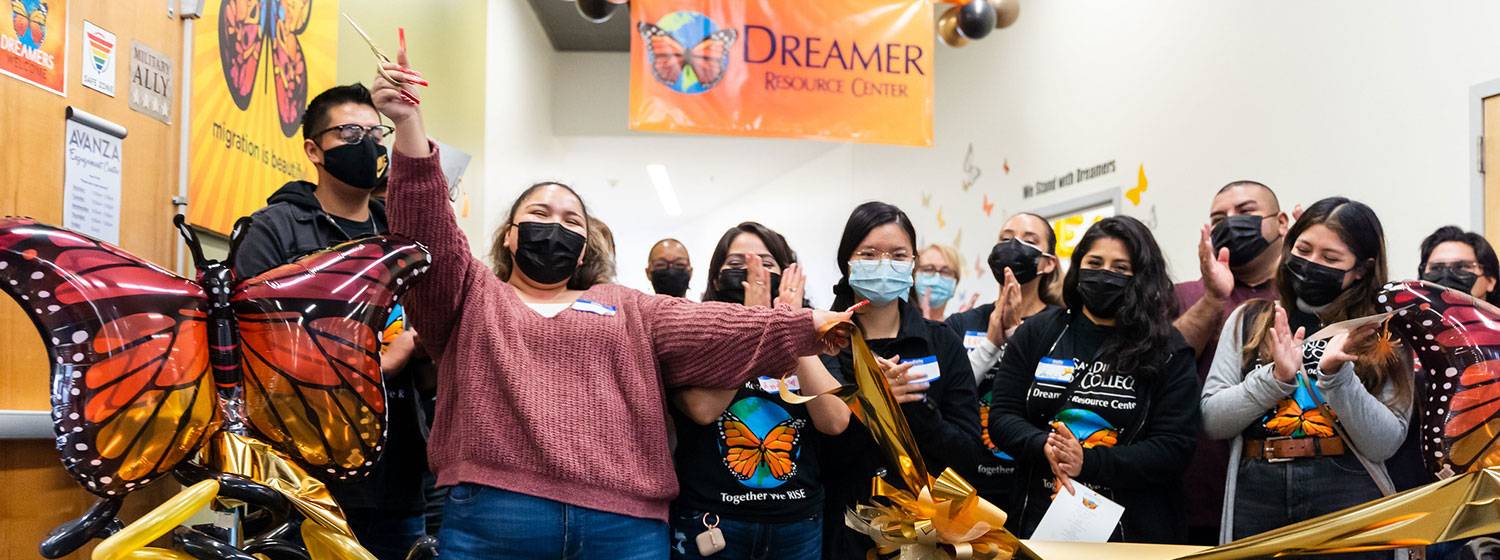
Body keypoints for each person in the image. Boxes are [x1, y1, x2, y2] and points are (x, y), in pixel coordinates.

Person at [370, 48, 853, 559]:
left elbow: (708, 324)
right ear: (510, 237)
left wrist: (805, 324)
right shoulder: (469, 295)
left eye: (572, 221)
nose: (555, 225)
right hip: (497, 515)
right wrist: (408, 126)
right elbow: (426, 232)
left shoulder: (629, 306)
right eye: (539, 212)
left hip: (622, 525)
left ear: (582, 249)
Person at [228, 83, 430, 560]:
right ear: (314, 150)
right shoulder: (273, 230)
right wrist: (379, 365)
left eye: (374, 132)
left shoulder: (399, 236)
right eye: (349, 131)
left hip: (398, 473)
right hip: (305, 476)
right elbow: (258, 351)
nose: (367, 143)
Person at [1201, 197, 1412, 557]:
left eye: (1331, 259)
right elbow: (1213, 420)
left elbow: (1384, 443)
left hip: (1347, 487)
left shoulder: (1380, 331)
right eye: (1303, 249)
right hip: (1258, 489)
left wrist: (1337, 374)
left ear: (1361, 269)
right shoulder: (1248, 319)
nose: (1311, 264)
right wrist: (1275, 378)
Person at [988, 215, 1198, 543]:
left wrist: (1089, 461)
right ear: (1078, 265)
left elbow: (1174, 447)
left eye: (1120, 269)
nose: (1104, 275)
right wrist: (1044, 445)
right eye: (1095, 263)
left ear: (1141, 276)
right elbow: (1002, 416)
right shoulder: (1038, 332)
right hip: (1039, 517)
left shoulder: (1168, 348)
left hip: (1134, 529)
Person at [667, 222, 850, 560]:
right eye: (737, 264)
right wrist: (753, 324)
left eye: (767, 263)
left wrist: (789, 327)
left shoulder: (814, 331)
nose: (754, 272)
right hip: (714, 524)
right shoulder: (691, 327)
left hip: (796, 525)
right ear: (717, 276)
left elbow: (835, 420)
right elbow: (703, 410)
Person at [818, 202, 980, 560]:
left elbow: (968, 454)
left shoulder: (940, 342)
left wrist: (915, 406)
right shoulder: (826, 344)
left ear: (912, 264)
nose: (883, 263)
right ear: (848, 262)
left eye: (897, 254)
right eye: (869, 254)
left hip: (931, 533)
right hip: (847, 534)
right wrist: (876, 405)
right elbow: (822, 456)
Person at [1170, 180, 1288, 545]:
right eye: (1218, 217)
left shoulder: (1303, 296)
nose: (1231, 223)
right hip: (1200, 492)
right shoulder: (1186, 294)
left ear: (1282, 223)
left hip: (1285, 494)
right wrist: (1212, 298)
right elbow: (1166, 361)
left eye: (1246, 212)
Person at [944, 212, 1064, 508]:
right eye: (1006, 238)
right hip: (969, 482)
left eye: (1029, 240)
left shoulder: (1063, 326)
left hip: (1035, 482)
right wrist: (990, 344)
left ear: (1048, 262)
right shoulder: (960, 324)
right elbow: (946, 395)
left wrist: (1016, 337)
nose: (1014, 245)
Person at [1418, 226, 1500, 304]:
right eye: (1436, 268)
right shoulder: (1409, 317)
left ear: (1490, 281)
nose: (1446, 275)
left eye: (1462, 266)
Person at [915, 243, 964, 320]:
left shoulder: (956, 328)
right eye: (928, 269)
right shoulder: (896, 324)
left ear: (955, 283)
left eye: (946, 271)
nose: (937, 278)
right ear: (914, 275)